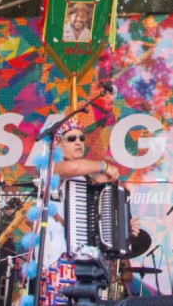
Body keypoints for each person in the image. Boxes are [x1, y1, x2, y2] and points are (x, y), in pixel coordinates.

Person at [39, 118, 124, 306]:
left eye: (81, 138)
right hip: (59, 257)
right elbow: (74, 167)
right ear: (58, 144)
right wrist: (105, 165)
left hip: (87, 262)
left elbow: (112, 201)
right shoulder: (52, 168)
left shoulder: (88, 177)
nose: (79, 142)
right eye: (71, 139)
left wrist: (124, 226)